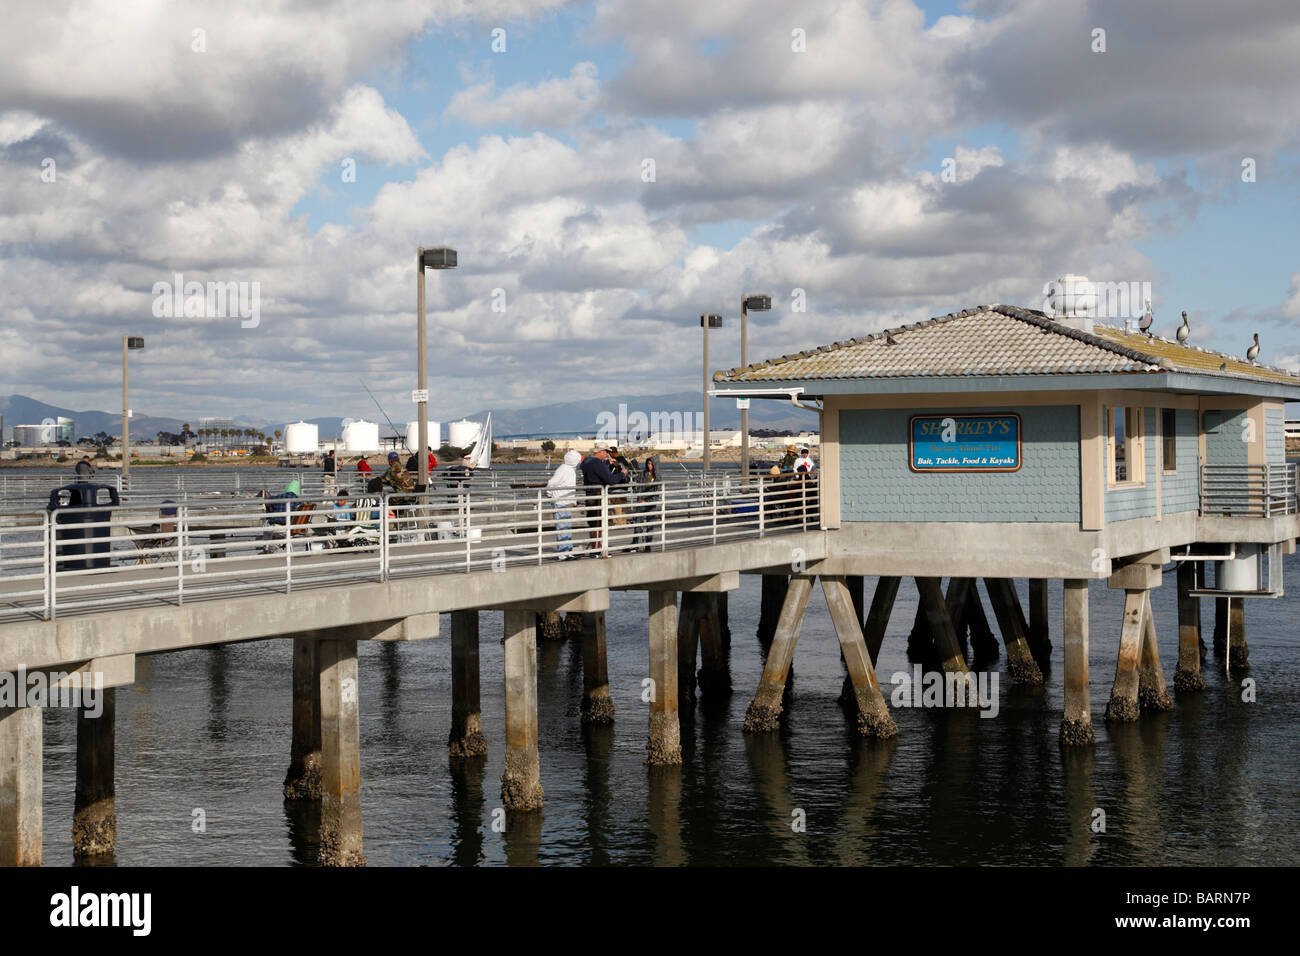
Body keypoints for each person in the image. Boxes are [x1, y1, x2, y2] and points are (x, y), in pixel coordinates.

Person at [578, 448, 627, 553]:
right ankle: (597, 549)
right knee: (599, 523)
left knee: (592, 522)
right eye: (605, 452)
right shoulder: (598, 464)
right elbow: (610, 480)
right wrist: (622, 473)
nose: (607, 454)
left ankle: (595, 546)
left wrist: (606, 462)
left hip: (589, 495)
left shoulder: (587, 461)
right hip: (598, 495)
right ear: (599, 452)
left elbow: (594, 468)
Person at [546, 450, 581, 559]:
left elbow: (571, 488)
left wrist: (573, 501)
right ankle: (562, 553)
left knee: (567, 528)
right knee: (562, 527)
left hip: (566, 502)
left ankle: (568, 550)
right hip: (560, 502)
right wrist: (550, 494)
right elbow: (551, 483)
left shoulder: (570, 470)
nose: (579, 462)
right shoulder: (563, 469)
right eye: (578, 460)